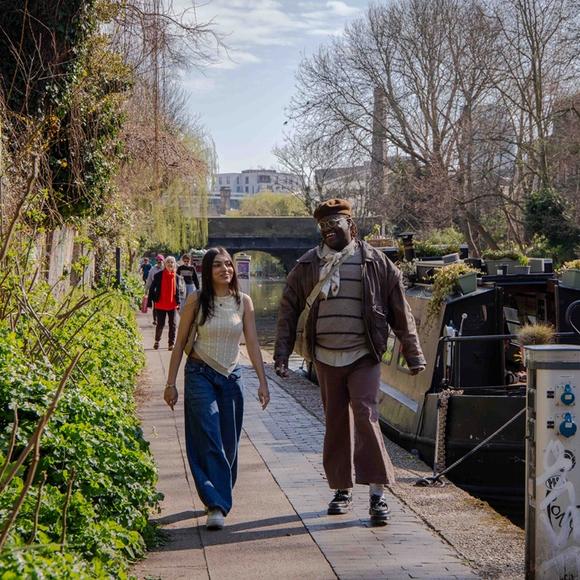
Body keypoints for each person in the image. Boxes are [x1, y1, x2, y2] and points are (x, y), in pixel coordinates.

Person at [274, 198, 426, 525]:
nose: (329, 231)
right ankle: (341, 489)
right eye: (323, 227)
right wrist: (282, 354)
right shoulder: (307, 265)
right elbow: (288, 310)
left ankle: (377, 494)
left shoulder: (376, 263)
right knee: (335, 423)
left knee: (366, 415)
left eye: (335, 225)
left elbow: (401, 311)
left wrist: (412, 354)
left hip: (363, 355)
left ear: (350, 226)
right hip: (326, 358)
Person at [164, 247, 270, 530]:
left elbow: (253, 343)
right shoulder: (197, 300)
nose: (225, 269)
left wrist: (263, 381)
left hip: (232, 377)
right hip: (200, 374)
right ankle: (216, 503)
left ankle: (221, 492)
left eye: (228, 265)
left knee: (229, 441)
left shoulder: (243, 302)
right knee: (208, 436)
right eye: (218, 266)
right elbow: (180, 344)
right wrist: (170, 383)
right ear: (207, 272)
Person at [148, 256, 185, 350]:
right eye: (168, 262)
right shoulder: (159, 275)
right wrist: (150, 300)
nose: (170, 264)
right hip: (160, 304)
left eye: (172, 262)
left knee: (173, 325)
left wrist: (179, 302)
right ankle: (157, 341)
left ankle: (171, 344)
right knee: (160, 324)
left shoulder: (176, 277)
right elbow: (152, 288)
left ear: (174, 264)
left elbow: (177, 291)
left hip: (172, 304)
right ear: (165, 264)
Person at [145, 254, 165, 325]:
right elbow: (149, 280)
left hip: (163, 289)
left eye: (160, 261)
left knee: (162, 305)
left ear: (163, 261)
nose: (159, 262)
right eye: (157, 260)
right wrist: (146, 289)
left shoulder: (165, 269)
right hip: (155, 290)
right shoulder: (152, 269)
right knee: (155, 305)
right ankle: (155, 320)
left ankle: (161, 319)